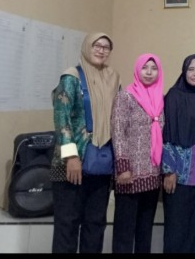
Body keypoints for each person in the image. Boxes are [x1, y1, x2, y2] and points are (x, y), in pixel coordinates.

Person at [50, 32, 121, 253]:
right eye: (96, 45)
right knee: (67, 225)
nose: (101, 50)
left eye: (106, 47)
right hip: (72, 164)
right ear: (87, 47)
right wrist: (71, 157)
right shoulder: (71, 77)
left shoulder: (113, 79)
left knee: (95, 224)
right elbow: (62, 118)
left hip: (101, 162)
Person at [110, 53, 164, 253]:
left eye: (154, 68)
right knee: (124, 233)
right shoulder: (125, 96)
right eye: (145, 68)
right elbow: (118, 132)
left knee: (144, 231)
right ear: (137, 70)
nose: (149, 72)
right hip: (129, 175)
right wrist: (123, 167)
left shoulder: (159, 99)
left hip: (152, 174)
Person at [162, 54, 195, 253]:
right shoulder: (173, 96)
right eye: (191, 69)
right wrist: (169, 170)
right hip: (179, 173)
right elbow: (166, 134)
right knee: (178, 225)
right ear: (184, 71)